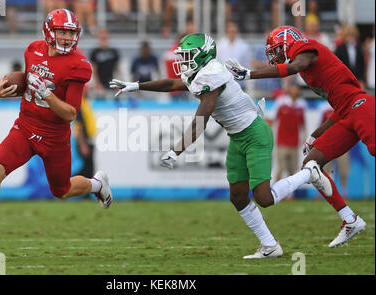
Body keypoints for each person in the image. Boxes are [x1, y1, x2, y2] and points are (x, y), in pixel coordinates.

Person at [110, 33, 332, 258]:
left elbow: (200, 121)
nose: (183, 62)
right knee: (237, 196)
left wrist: (175, 151)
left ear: (202, 56)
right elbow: (172, 84)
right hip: (237, 137)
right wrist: (135, 85)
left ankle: (309, 174)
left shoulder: (211, 75)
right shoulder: (202, 72)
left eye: (187, 57)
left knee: (264, 198)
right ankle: (270, 245)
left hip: (255, 134)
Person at [0, 9, 112, 250]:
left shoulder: (78, 65)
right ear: (49, 30)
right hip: (25, 128)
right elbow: (25, 88)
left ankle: (97, 185)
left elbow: (70, 113)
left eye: (71, 33)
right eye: (62, 31)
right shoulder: (33, 50)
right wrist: (1, 92)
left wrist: (46, 94)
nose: (67, 38)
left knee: (61, 190)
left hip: (54, 137)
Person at [224, 25, 372, 247]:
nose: (274, 55)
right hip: (346, 113)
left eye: (275, 49)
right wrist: (315, 134)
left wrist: (250, 74)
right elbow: (339, 107)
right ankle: (350, 219)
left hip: (361, 106)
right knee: (311, 164)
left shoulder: (305, 47)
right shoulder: (304, 68)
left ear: (287, 41)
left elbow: (294, 67)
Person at [274, 80, 306, 183]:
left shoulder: (301, 105)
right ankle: (274, 192)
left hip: (294, 143)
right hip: (282, 142)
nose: (295, 90)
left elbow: (303, 124)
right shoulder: (281, 102)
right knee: (280, 168)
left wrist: (304, 137)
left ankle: (289, 194)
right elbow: (273, 119)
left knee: (292, 169)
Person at [89, 28, 120, 98]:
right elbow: (94, 69)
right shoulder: (95, 52)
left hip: (111, 82)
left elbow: (117, 69)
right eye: (101, 34)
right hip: (100, 84)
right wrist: (97, 83)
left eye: (105, 34)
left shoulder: (114, 51)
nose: (103, 36)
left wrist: (118, 83)